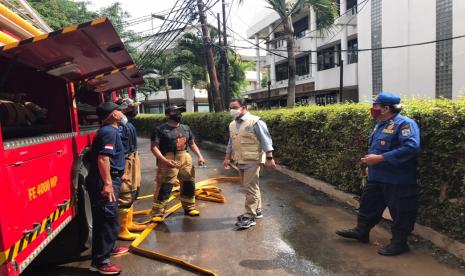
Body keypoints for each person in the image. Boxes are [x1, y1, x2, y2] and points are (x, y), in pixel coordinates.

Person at [336, 92, 420, 256]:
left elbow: (411, 148)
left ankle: (399, 243)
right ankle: (361, 232)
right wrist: (372, 166)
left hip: (397, 179)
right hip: (377, 176)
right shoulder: (381, 124)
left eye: (375, 105)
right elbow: (377, 147)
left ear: (386, 108)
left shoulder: (405, 124)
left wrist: (380, 158)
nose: (372, 108)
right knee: (368, 205)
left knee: (401, 212)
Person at [86, 102, 127, 275]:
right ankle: (101, 261)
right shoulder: (109, 132)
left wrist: (119, 172)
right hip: (105, 182)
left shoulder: (111, 131)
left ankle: (108, 249)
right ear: (112, 115)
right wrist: (109, 183)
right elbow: (103, 158)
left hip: (111, 178)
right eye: (118, 110)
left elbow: (112, 157)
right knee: (107, 220)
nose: (121, 112)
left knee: (109, 218)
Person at [223, 99, 276, 230]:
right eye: (230, 107)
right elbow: (231, 143)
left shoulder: (255, 122)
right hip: (239, 160)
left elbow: (266, 140)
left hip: (253, 160)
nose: (232, 110)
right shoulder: (232, 125)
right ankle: (257, 210)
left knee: (249, 187)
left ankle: (249, 215)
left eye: (235, 107)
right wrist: (227, 158)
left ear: (244, 107)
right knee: (251, 186)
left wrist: (270, 158)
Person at [150, 105, 205, 222]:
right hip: (168, 157)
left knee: (189, 183)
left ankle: (189, 207)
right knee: (165, 185)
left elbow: (192, 143)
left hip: (185, 157)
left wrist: (200, 156)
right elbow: (154, 147)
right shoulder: (160, 129)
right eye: (175, 112)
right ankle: (157, 213)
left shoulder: (186, 128)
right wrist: (163, 160)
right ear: (167, 115)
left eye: (180, 112)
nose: (178, 114)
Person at [115, 98, 145, 240]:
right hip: (125, 160)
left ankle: (129, 223)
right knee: (125, 193)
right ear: (125, 108)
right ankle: (122, 229)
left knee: (133, 190)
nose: (135, 109)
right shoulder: (120, 125)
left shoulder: (126, 122)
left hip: (133, 158)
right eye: (132, 107)